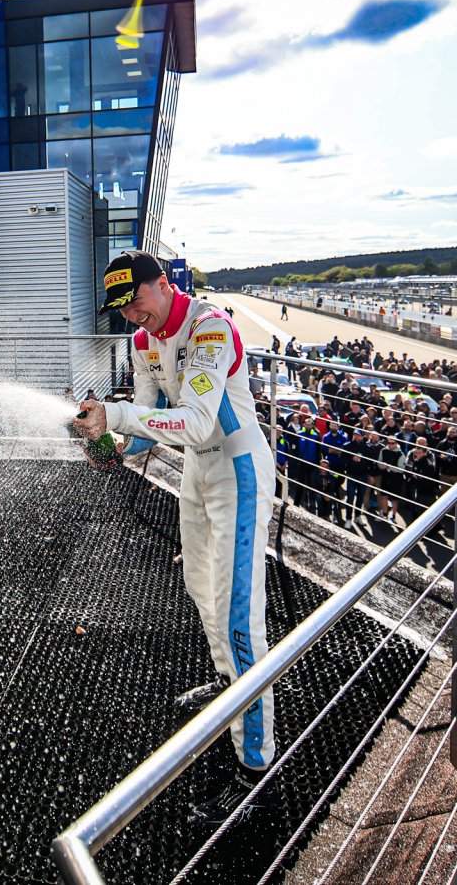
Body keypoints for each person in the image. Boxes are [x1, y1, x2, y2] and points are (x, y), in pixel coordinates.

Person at [75, 251, 277, 815]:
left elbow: (194, 422)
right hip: (198, 471)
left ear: (164, 284)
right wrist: (111, 445)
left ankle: (256, 767)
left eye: (136, 300)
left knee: (240, 615)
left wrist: (115, 418)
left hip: (238, 470)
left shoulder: (210, 325)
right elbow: (145, 427)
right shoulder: (142, 343)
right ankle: (225, 685)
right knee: (198, 587)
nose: (132, 316)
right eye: (120, 308)